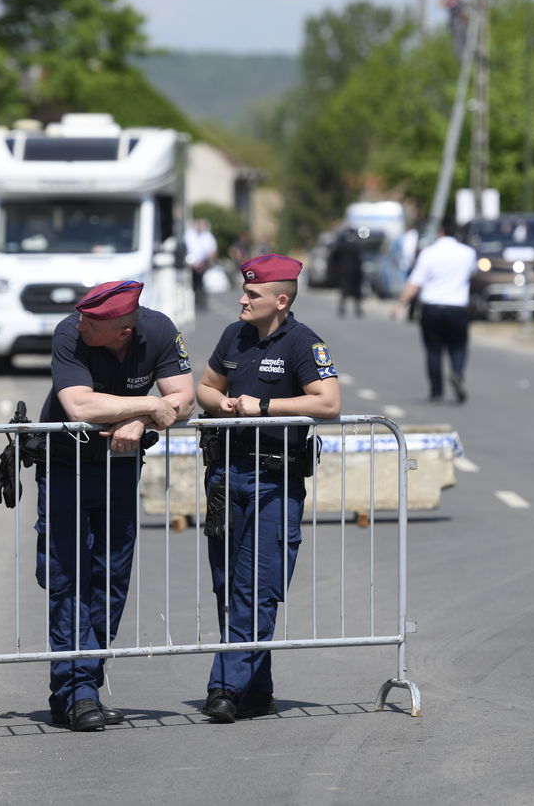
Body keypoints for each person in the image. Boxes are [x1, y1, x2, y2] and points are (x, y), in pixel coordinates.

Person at [33, 280, 195, 731]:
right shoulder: (70, 333)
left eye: (91, 321)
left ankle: (79, 687)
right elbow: (79, 406)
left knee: (112, 577)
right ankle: (79, 694)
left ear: (123, 330)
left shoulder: (159, 330)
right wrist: (147, 407)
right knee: (69, 578)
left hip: (120, 468)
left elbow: (184, 398)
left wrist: (141, 421)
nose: (79, 322)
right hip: (66, 467)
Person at [196, 255, 341, 723]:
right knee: (228, 587)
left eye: (252, 294)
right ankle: (257, 690)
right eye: (244, 290)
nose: (242, 298)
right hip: (226, 476)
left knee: (255, 587)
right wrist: (219, 401)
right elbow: (205, 386)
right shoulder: (233, 336)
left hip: (273, 481)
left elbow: (329, 401)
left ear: (280, 301)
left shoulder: (303, 343)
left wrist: (263, 405)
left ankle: (225, 688)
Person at [388, 218, 478, 403]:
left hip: (432, 307)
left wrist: (400, 304)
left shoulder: (429, 253)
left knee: (433, 350)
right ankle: (458, 373)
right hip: (457, 307)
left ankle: (437, 391)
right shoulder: (467, 253)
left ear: (440, 232)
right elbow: (473, 274)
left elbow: (415, 282)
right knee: (458, 346)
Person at [329, 228, 365, 317]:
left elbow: (334, 257)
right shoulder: (357, 244)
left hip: (344, 271)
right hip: (355, 271)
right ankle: (357, 309)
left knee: (344, 290)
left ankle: (343, 308)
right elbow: (360, 259)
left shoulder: (341, 244)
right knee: (355, 291)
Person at [185, 218, 218, 311]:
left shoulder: (208, 236)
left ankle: (202, 302)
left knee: (201, 283)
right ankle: (193, 303)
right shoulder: (189, 235)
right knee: (192, 284)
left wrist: (204, 262)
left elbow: (212, 251)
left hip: (203, 263)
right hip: (191, 264)